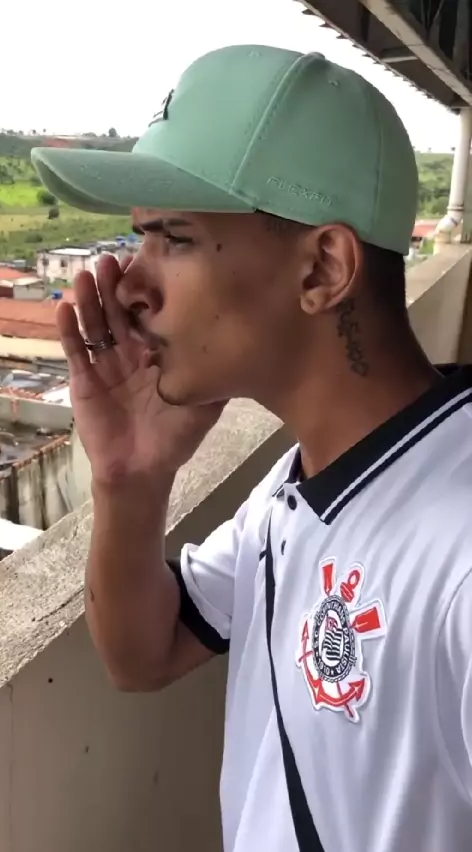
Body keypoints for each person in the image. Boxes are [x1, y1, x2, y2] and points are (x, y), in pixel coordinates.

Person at [32, 45, 472, 852]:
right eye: (140, 237)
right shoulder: (298, 487)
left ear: (323, 269)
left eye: (175, 238)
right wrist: (129, 480)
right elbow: (143, 656)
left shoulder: (458, 553)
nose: (128, 285)